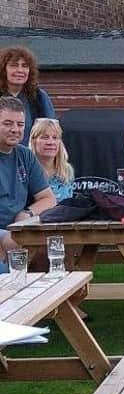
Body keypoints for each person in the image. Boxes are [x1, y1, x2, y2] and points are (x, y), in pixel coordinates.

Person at [0, 96, 56, 272]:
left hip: (18, 229)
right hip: (7, 234)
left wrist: (27, 213)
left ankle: (57, 297)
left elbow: (48, 198)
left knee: (52, 247)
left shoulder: (25, 155)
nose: (15, 130)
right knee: (20, 246)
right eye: (8, 124)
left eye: (20, 124)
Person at [0, 46, 56, 145]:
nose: (20, 70)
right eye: (14, 65)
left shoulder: (38, 97)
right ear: (3, 69)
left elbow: (51, 132)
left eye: (25, 66)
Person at [29, 118, 74, 202]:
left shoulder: (67, 170)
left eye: (55, 137)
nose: (50, 142)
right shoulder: (26, 171)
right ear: (33, 141)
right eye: (45, 137)